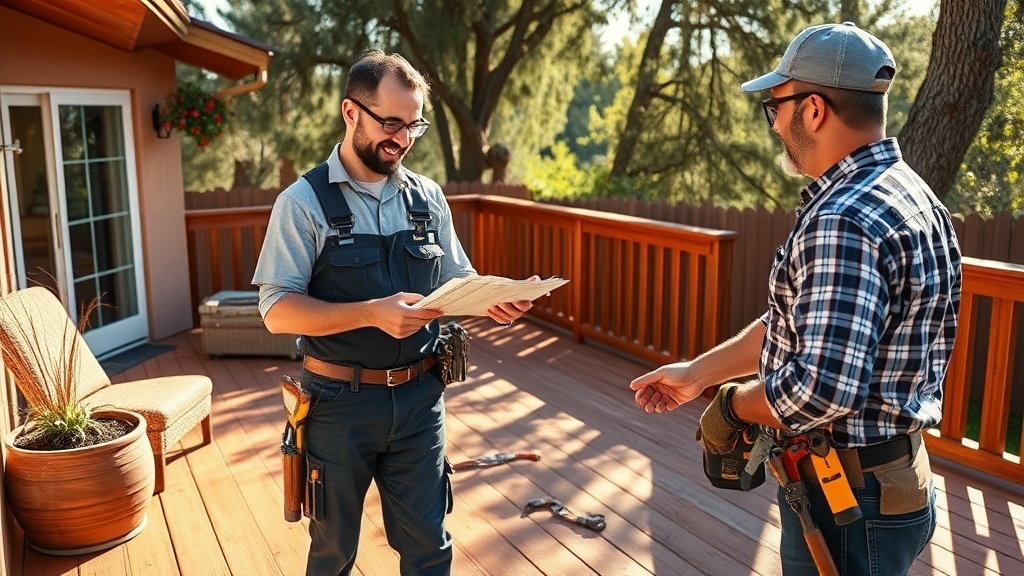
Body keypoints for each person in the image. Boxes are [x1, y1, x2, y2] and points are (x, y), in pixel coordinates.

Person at [629, 22, 962, 575]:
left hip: (850, 506)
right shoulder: (910, 193)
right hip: (891, 483)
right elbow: (800, 321)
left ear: (812, 110)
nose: (776, 123)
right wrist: (698, 373)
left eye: (776, 106)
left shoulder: (842, 219)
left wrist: (734, 405)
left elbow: (819, 389)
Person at [253, 49, 532, 576]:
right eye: (391, 123)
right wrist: (371, 313)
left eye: (413, 126)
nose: (402, 139)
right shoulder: (303, 202)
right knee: (333, 554)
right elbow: (276, 311)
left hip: (421, 399)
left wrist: (490, 299)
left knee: (430, 548)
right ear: (350, 112)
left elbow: (458, 278)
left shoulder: (428, 197)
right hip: (337, 405)